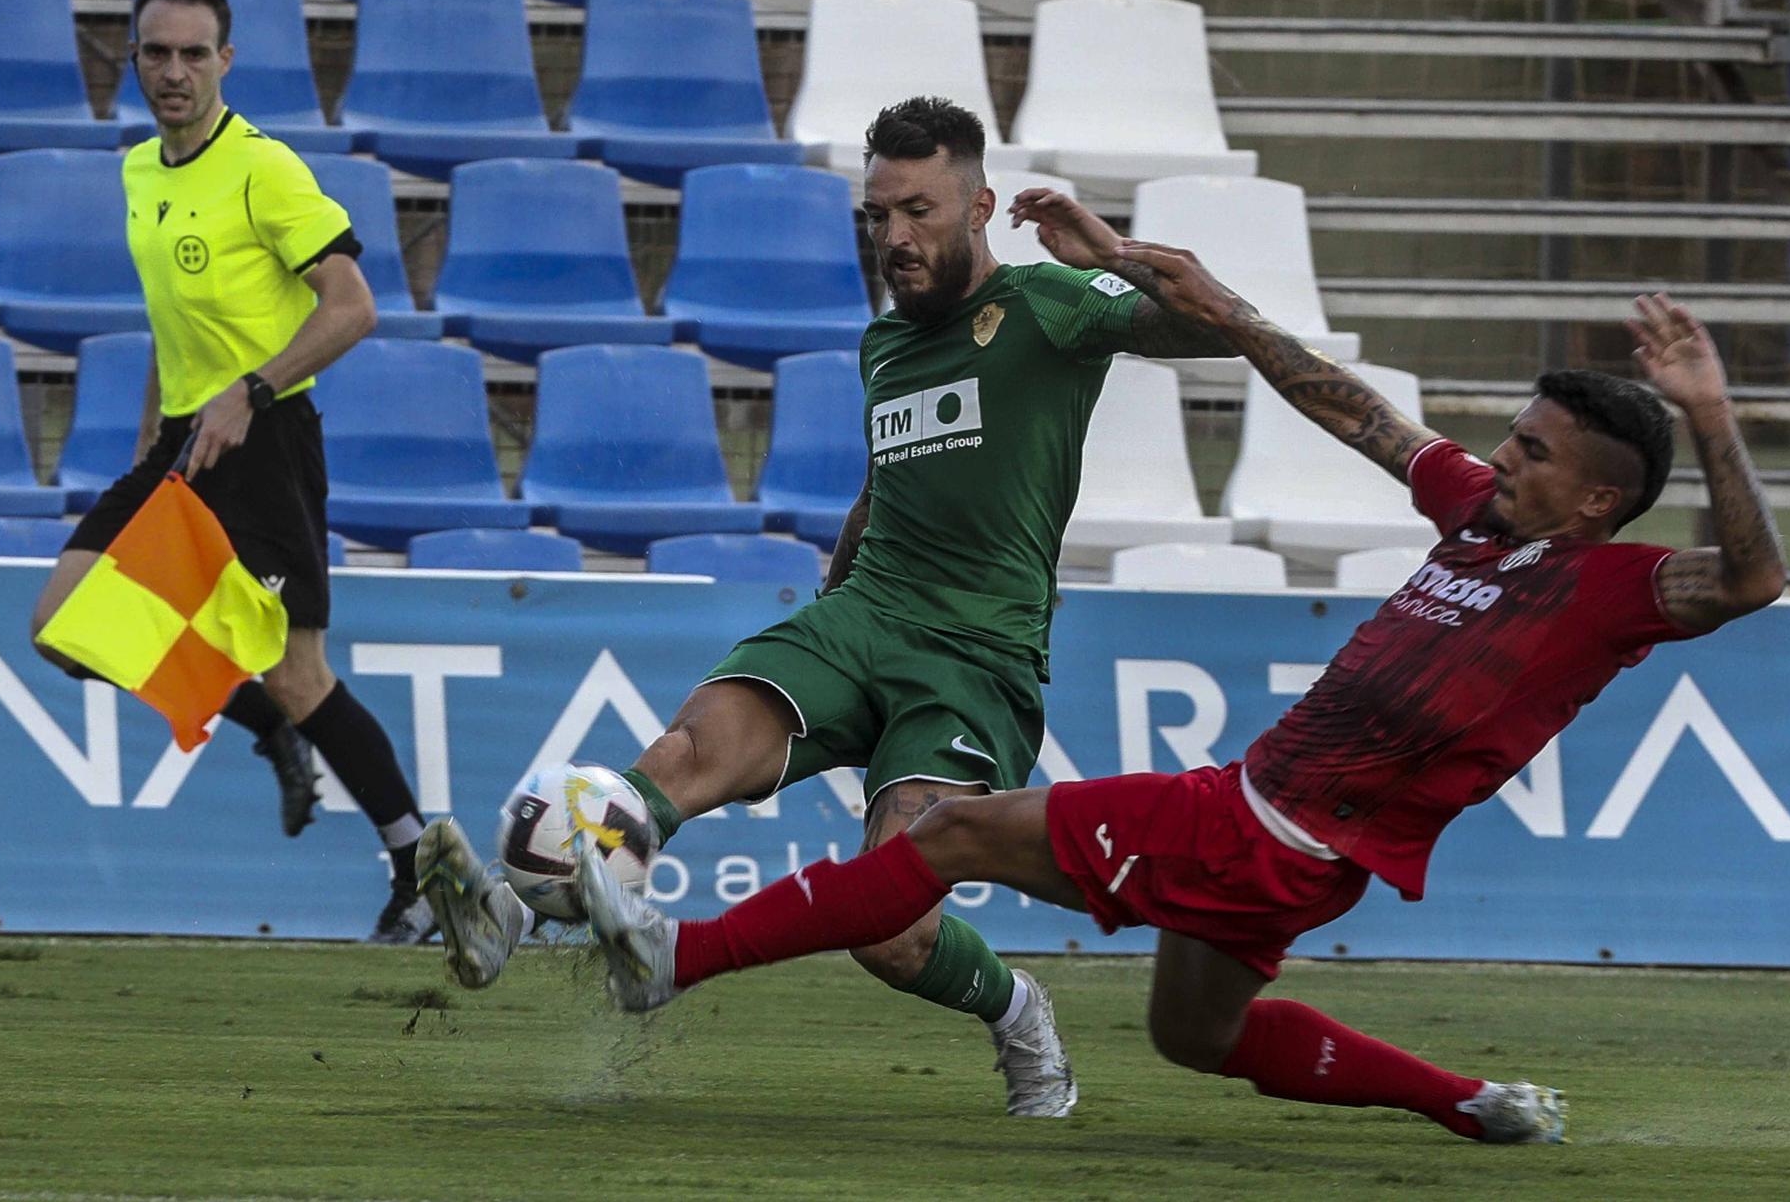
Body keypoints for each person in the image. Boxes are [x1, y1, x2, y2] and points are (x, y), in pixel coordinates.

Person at [572, 207, 1786, 1143]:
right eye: (1511, 438)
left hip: (1258, 824)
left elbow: (1749, 579)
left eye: (1529, 451)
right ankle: (1468, 1102)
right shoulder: (1476, 514)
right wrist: (1216, 305)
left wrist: (1715, 418)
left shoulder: (1615, 590)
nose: (1500, 456)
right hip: (1300, 858)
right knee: (1194, 1037)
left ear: (1595, 499)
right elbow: (1349, 410)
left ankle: (675, 963)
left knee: (945, 837)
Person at [416, 97, 1242, 1117]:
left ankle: (1018, 1010)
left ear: (980, 206)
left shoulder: (1048, 307)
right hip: (859, 619)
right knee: (684, 752)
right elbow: (880, 485)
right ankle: (511, 910)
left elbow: (1218, 326)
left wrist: (1110, 251)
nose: (892, 238)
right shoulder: (883, 348)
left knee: (885, 921)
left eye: (918, 212)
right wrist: (828, 601)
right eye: (876, 215)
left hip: (975, 658)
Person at [28, 0, 434, 943]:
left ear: (225, 62)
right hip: (182, 441)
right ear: (133, 59)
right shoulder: (138, 172)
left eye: (193, 54)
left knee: (300, 670)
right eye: (157, 53)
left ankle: (417, 869)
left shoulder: (264, 169)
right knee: (63, 624)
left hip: (267, 438)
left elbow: (354, 308)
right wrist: (150, 447)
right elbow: (172, 328)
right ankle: (267, 731)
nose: (174, 71)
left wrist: (248, 393)